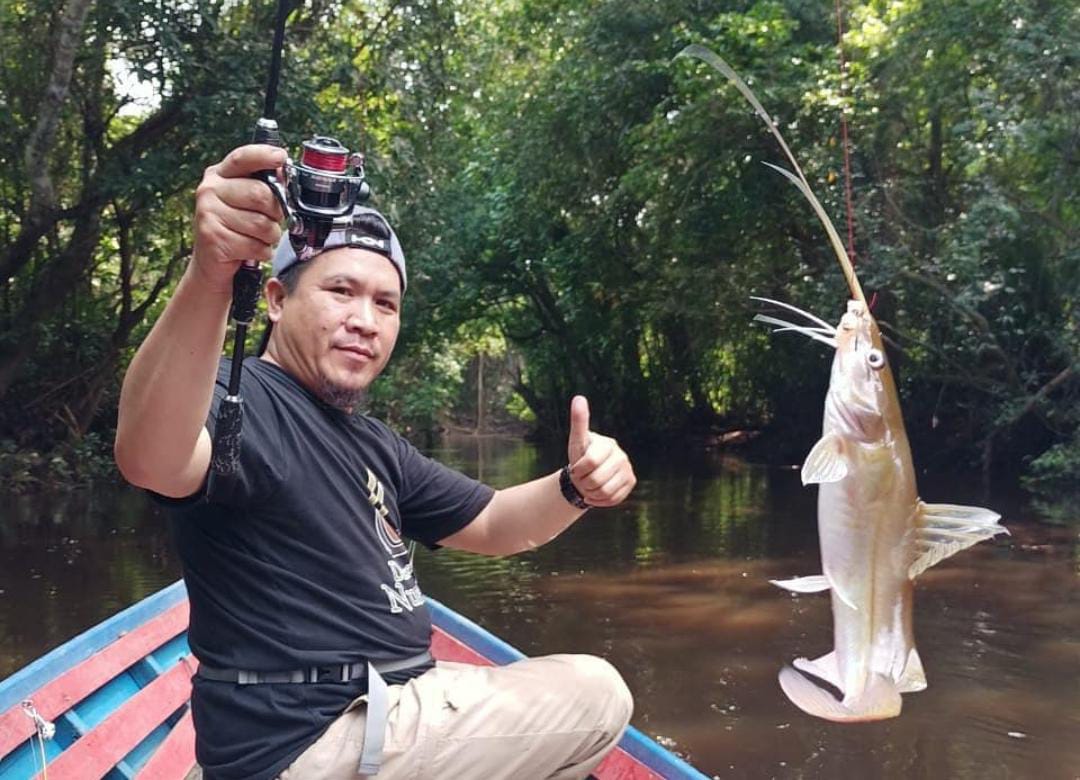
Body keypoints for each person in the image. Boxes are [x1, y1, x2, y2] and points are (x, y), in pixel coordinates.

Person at [114, 144, 638, 780]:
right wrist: (209, 276)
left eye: (385, 304)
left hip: (380, 716)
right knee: (597, 689)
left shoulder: (373, 443)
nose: (364, 321)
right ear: (275, 300)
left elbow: (498, 523)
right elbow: (151, 457)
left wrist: (575, 487)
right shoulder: (240, 398)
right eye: (341, 291)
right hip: (309, 744)